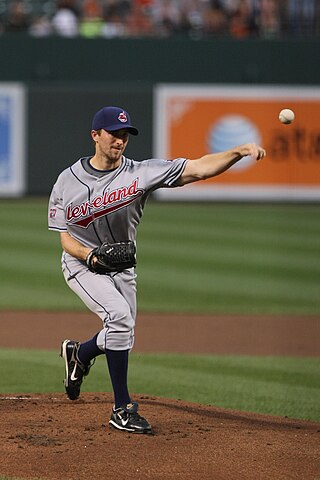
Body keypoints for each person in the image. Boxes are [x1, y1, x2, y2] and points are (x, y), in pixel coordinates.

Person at [48, 105, 266, 434]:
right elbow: (65, 238)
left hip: (122, 267)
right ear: (95, 136)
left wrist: (237, 151)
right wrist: (90, 256)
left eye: (125, 135)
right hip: (82, 265)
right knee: (119, 320)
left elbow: (198, 169)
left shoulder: (141, 172)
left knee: (124, 333)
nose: (120, 140)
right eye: (113, 134)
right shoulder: (67, 180)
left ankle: (80, 353)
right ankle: (121, 408)